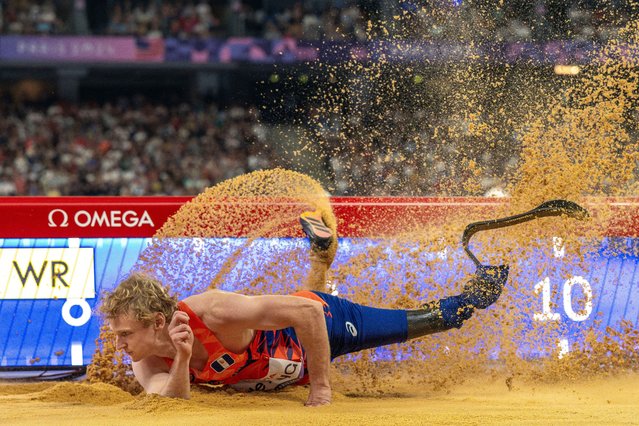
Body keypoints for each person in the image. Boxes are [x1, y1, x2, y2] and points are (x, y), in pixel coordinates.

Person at [101, 210, 508, 406]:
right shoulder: (149, 358)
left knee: (432, 320)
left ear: (157, 321)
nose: (119, 344)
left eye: (124, 334)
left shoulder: (211, 312)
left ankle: (472, 295)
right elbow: (169, 402)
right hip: (286, 347)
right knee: (282, 326)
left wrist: (321, 386)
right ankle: (320, 256)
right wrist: (183, 359)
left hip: (327, 325)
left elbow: (307, 316)